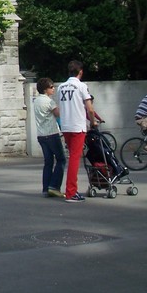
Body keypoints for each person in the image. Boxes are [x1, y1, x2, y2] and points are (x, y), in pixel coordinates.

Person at [57, 60, 97, 203]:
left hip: (66, 125)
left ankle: (70, 190)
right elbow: (90, 109)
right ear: (80, 72)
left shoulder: (60, 87)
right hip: (77, 125)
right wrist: (93, 122)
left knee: (72, 156)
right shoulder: (81, 86)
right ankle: (71, 192)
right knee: (75, 158)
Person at [33, 77, 65, 198]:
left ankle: (46, 188)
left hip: (41, 135)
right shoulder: (49, 102)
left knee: (48, 162)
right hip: (52, 134)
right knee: (61, 159)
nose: (53, 89)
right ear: (45, 89)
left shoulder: (36, 101)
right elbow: (58, 114)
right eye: (51, 87)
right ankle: (54, 186)